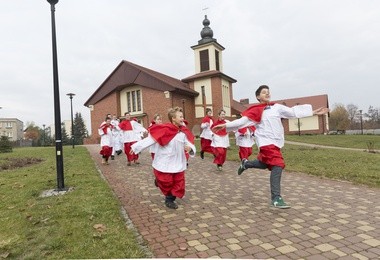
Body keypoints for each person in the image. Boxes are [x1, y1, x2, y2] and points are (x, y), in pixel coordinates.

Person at [212, 85, 329, 209]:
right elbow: (242, 122)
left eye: (268, 92)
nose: (267, 94)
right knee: (278, 165)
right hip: (265, 143)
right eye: (264, 92)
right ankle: (276, 198)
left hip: (276, 142)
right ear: (258, 97)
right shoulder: (255, 110)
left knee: (265, 164)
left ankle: (245, 164)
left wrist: (313, 112)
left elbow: (292, 112)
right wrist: (226, 126)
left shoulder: (276, 107)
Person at [131, 107, 196, 209]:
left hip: (178, 161)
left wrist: (190, 149)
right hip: (165, 161)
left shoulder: (183, 131)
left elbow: (189, 143)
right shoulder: (165, 129)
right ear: (173, 118)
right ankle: (161, 185)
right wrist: (136, 147)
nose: (183, 119)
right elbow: (151, 140)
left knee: (179, 183)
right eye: (180, 117)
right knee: (166, 182)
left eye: (182, 116)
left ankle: (170, 199)